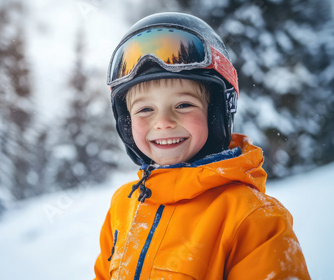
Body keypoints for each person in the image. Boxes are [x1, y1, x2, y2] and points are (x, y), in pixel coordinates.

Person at [94, 12, 310, 280]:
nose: (163, 122)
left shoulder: (252, 218)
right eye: (145, 109)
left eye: (183, 105)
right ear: (125, 122)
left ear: (218, 111)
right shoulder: (123, 206)